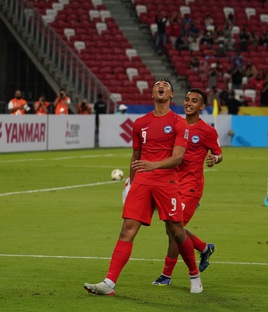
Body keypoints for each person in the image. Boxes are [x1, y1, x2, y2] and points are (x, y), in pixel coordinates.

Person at [83, 78, 202, 295]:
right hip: (143, 182)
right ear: (153, 93)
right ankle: (109, 283)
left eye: (165, 85)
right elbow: (135, 156)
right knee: (127, 229)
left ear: (171, 94)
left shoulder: (179, 123)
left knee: (176, 231)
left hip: (167, 181)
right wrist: (131, 182)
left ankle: (194, 274)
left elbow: (178, 158)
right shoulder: (140, 123)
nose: (161, 86)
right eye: (158, 84)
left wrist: (152, 165)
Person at [152, 88, 223, 286]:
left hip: (191, 186)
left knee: (175, 230)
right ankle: (203, 248)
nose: (189, 103)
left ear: (201, 106)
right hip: (171, 184)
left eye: (194, 101)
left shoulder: (207, 131)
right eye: (186, 100)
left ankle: (166, 275)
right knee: (171, 228)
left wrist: (214, 158)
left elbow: (219, 154)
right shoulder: (175, 125)